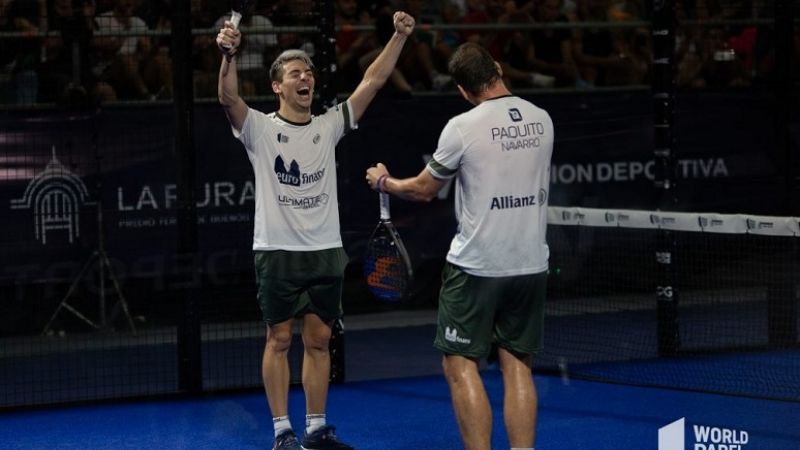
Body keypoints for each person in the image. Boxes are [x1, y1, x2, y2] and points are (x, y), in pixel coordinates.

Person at [216, 9, 416, 450]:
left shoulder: (329, 126)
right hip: (277, 250)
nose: (305, 78)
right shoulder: (260, 131)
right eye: (294, 73)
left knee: (320, 339)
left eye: (308, 72)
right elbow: (229, 100)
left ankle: (316, 428)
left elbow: (373, 82)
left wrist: (399, 38)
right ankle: (282, 432)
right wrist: (229, 57)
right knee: (279, 337)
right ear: (277, 86)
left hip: (325, 250)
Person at [365, 42, 553, 450]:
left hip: (477, 268)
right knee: (517, 366)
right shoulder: (543, 120)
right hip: (531, 265)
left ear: (464, 92)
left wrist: (384, 182)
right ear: (498, 68)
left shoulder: (462, 127)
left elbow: (422, 190)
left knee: (459, 363)